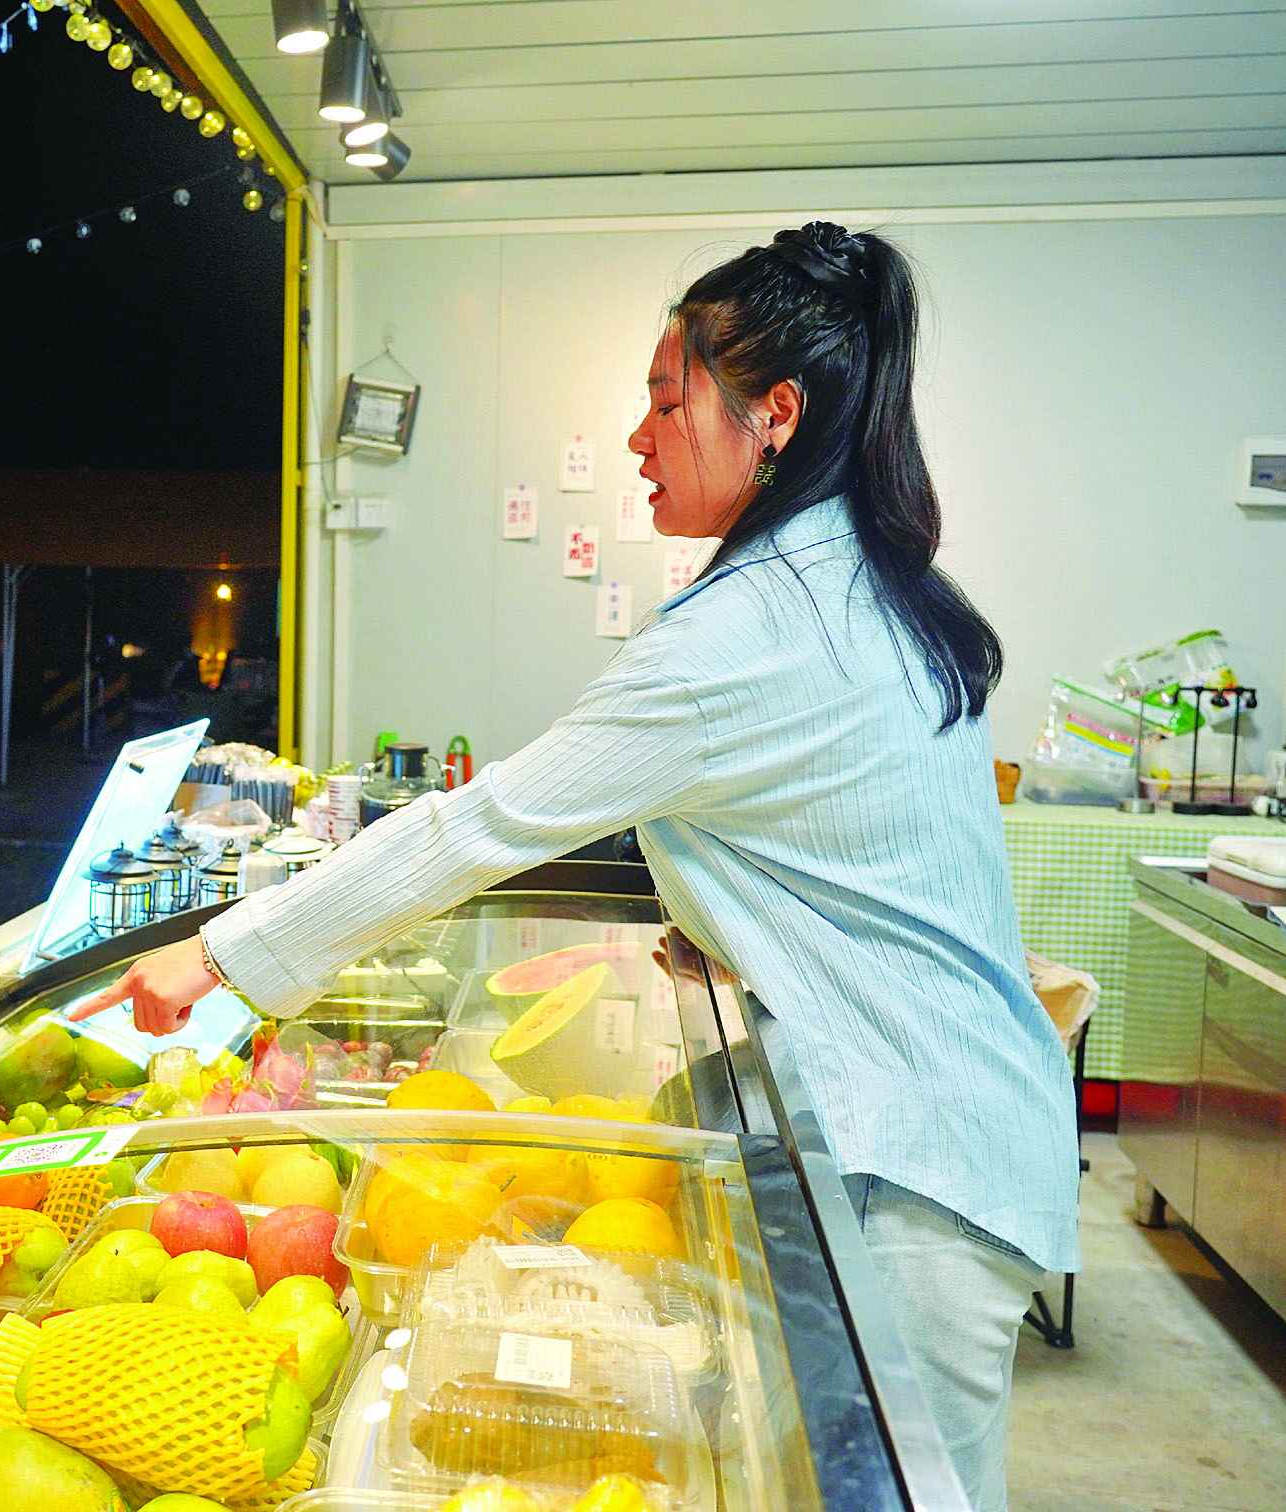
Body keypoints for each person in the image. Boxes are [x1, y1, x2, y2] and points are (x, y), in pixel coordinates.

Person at [75, 225, 1077, 1511]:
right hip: (945, 1119)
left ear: (775, 415)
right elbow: (856, 847)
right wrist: (738, 921)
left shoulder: (750, 632)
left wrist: (219, 952)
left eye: (666, 403)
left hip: (913, 1156)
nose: (637, 438)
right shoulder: (848, 582)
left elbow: (479, 827)